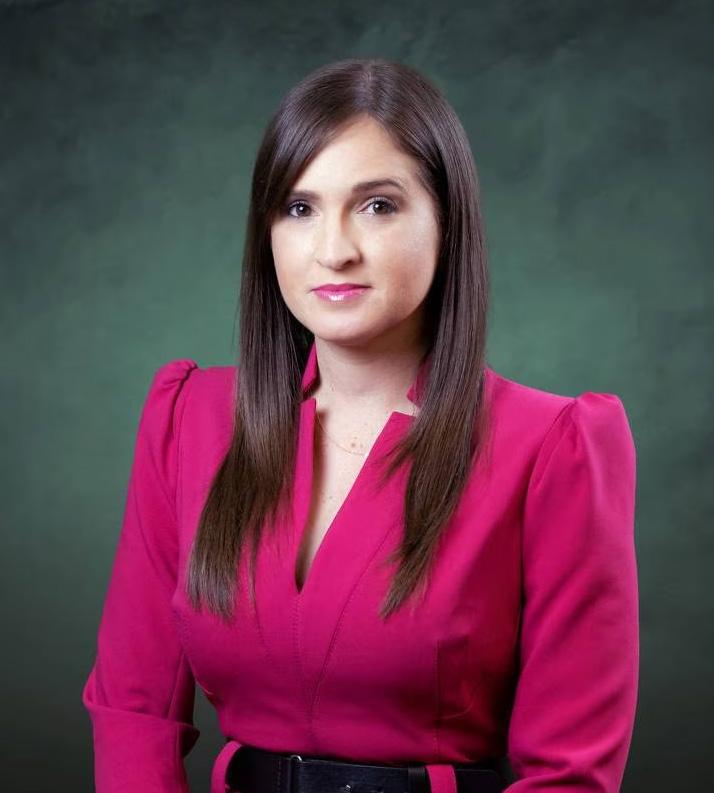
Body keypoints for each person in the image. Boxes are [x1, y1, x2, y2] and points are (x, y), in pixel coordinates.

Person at [81, 58, 639, 793]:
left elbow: (570, 772)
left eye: (377, 205)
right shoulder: (189, 420)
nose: (333, 248)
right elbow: (132, 708)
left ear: (448, 220)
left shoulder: (552, 445)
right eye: (299, 207)